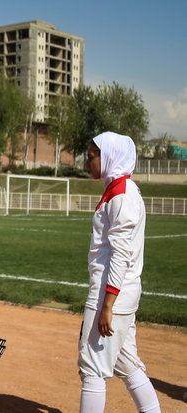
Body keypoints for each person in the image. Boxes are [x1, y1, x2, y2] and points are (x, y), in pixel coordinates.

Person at [79, 131, 161, 413]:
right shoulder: (117, 189)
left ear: (109, 156)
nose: (86, 162)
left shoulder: (122, 193)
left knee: (92, 368)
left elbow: (121, 253)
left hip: (111, 292)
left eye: (91, 157)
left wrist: (108, 304)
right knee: (128, 364)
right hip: (117, 291)